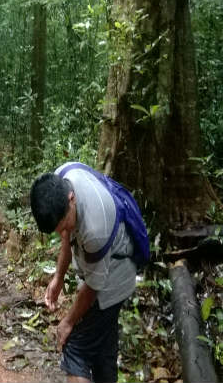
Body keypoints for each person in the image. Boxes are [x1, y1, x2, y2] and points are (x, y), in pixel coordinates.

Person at [29, 162, 138, 383]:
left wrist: (68, 322)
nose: (63, 232)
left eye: (63, 225)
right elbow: (67, 237)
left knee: (75, 350)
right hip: (107, 270)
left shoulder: (95, 230)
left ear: (71, 199)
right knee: (102, 350)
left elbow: (93, 286)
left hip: (113, 278)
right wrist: (59, 277)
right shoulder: (61, 178)